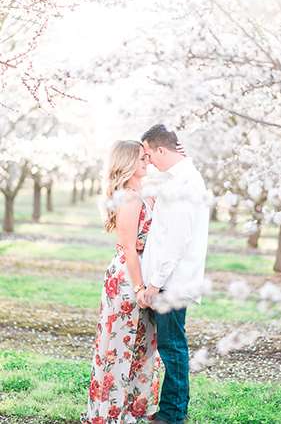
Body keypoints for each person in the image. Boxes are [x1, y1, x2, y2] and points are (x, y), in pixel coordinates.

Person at [83, 140, 161, 423]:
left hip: (143, 271)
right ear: (127, 162)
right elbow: (130, 248)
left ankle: (133, 411)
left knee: (141, 344)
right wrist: (140, 287)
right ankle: (112, 413)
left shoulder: (142, 193)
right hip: (129, 276)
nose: (147, 160)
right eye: (142, 157)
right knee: (120, 346)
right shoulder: (128, 197)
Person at [140, 124, 210, 424]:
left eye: (148, 154)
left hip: (172, 283)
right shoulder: (179, 181)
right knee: (171, 346)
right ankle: (170, 409)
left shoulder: (184, 184)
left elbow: (177, 241)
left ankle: (173, 414)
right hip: (170, 280)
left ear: (161, 150)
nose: (148, 161)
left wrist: (155, 283)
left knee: (173, 348)